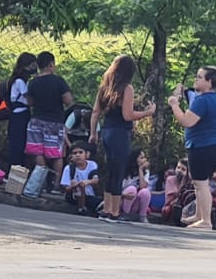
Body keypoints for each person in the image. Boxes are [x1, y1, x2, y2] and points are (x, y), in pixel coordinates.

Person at [90, 55, 156, 221]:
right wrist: (148, 113)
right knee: (119, 172)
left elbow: (96, 112)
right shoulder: (126, 89)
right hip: (120, 132)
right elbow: (128, 115)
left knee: (111, 170)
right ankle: (114, 211)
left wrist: (93, 133)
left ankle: (107, 208)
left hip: (106, 131)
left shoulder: (104, 87)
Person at [169, 66, 216, 229]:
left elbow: (187, 121)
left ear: (209, 82)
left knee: (201, 184)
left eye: (199, 77)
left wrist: (174, 104)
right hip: (215, 145)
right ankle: (199, 214)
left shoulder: (203, 100)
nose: (196, 80)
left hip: (202, 146)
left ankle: (206, 220)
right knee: (199, 183)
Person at [25, 51, 74, 191]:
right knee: (56, 153)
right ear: (51, 64)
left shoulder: (33, 82)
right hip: (54, 121)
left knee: (38, 151)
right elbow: (68, 101)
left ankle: (40, 181)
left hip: (36, 120)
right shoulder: (58, 81)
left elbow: (30, 102)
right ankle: (56, 184)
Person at [3, 53, 36, 169]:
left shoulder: (17, 80)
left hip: (17, 115)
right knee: (18, 144)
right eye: (32, 66)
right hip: (20, 116)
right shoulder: (20, 82)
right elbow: (29, 99)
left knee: (18, 143)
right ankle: (15, 169)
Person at [60, 143, 102, 216]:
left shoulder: (92, 164)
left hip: (90, 194)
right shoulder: (69, 168)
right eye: (75, 153)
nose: (77, 155)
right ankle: (81, 208)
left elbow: (95, 179)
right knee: (79, 187)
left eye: (80, 152)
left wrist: (88, 182)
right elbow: (66, 188)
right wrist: (73, 186)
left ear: (87, 154)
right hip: (74, 195)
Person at [118, 149, 154, 223]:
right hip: (121, 200)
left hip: (135, 203)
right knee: (132, 189)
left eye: (144, 158)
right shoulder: (124, 170)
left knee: (145, 192)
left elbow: (142, 186)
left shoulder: (146, 172)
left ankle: (142, 216)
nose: (144, 160)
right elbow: (115, 190)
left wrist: (140, 170)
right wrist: (124, 195)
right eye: (141, 158)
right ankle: (125, 214)